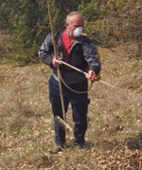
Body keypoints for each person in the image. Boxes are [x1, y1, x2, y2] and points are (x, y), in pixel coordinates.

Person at [39, 11, 101, 153]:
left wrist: (93, 71)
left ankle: (79, 142)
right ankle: (59, 142)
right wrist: (51, 61)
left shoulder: (84, 42)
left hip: (78, 84)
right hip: (57, 83)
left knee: (79, 115)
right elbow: (42, 53)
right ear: (67, 25)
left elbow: (93, 60)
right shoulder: (54, 38)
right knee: (58, 115)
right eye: (76, 25)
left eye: (81, 26)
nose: (79, 29)